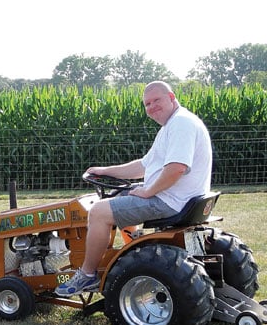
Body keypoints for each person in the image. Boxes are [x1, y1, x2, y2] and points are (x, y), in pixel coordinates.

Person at [55, 81, 213, 296]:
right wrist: (105, 171)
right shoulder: (175, 124)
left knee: (98, 212)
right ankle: (135, 247)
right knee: (121, 193)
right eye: (147, 104)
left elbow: (177, 168)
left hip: (170, 201)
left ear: (171, 97)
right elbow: (144, 165)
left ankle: (87, 274)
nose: (152, 107)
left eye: (156, 100)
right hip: (182, 198)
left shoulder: (180, 124)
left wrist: (149, 192)